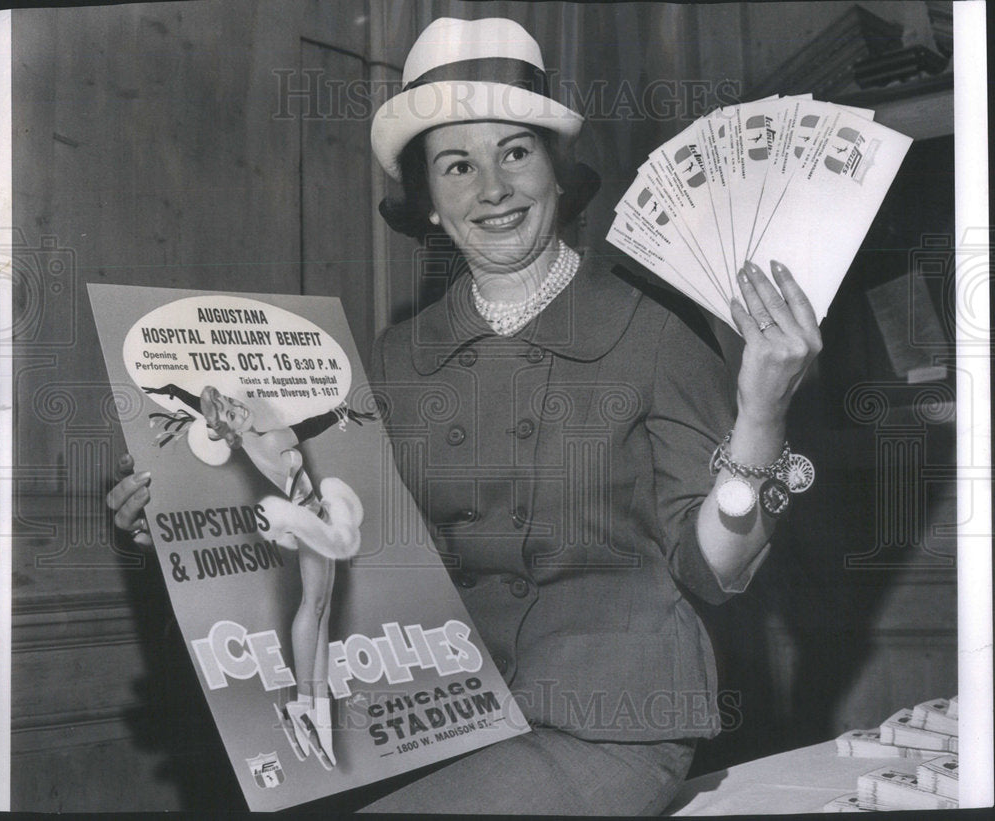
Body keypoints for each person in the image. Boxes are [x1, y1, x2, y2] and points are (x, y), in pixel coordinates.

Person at [109, 16, 822, 814]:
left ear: (557, 171)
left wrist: (761, 414)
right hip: (432, 716)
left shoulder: (653, 333)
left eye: (515, 152)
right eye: (458, 165)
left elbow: (716, 570)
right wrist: (186, 505)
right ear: (431, 207)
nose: (492, 187)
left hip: (611, 723)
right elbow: (347, 547)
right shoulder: (390, 358)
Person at [118, 382, 373, 770]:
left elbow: (204, 410)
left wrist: (174, 390)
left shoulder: (251, 442)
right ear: (230, 428)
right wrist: (342, 411)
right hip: (310, 521)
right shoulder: (268, 440)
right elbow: (311, 425)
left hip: (312, 519)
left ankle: (314, 708)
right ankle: (304, 705)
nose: (240, 408)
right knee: (313, 605)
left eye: (236, 404)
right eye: (232, 412)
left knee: (319, 607)